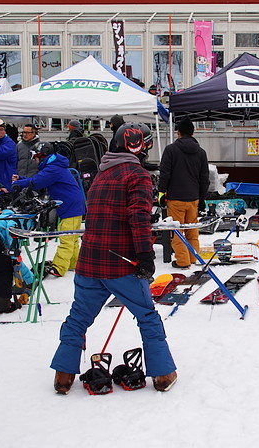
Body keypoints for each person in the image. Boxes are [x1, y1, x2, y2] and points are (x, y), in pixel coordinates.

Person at [50, 122, 177, 394]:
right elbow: (138, 217)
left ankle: (63, 376)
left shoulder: (101, 174)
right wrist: (145, 255)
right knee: (147, 316)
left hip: (90, 262)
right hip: (121, 265)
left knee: (78, 318)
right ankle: (164, 374)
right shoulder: (137, 174)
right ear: (138, 145)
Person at [13, 142, 85, 278]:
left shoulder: (53, 169)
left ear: (42, 155)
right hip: (74, 205)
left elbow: (37, 182)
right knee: (73, 237)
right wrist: (21, 179)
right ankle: (73, 263)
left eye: (35, 157)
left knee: (66, 236)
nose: (35, 160)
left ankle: (59, 267)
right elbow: (39, 179)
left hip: (70, 206)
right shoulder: (55, 166)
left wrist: (17, 184)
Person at [158, 116, 209, 269]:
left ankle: (182, 261)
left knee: (177, 232)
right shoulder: (201, 152)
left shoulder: (171, 150)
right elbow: (204, 178)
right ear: (192, 133)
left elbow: (164, 173)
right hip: (193, 198)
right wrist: (202, 198)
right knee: (192, 230)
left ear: (178, 132)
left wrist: (161, 193)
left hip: (176, 199)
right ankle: (193, 258)